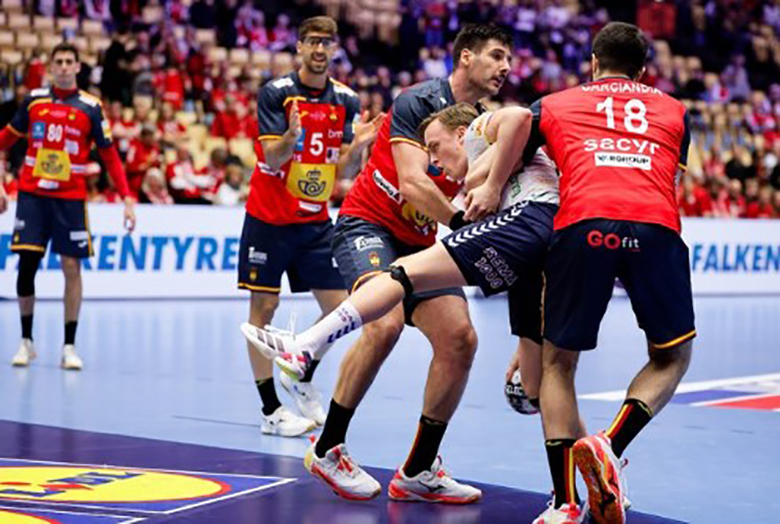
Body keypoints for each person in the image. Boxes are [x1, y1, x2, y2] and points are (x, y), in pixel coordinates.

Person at [244, 24, 513, 503]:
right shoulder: (417, 100)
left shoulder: (483, 125)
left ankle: (418, 469)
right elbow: (413, 183)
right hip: (366, 225)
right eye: (496, 55)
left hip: (418, 241)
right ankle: (328, 447)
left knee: (460, 338)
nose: (506, 67)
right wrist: (461, 225)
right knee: (383, 321)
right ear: (466, 57)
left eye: (508, 59)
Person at [518, 23, 693, 524]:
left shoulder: (551, 105)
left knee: (558, 363)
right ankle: (610, 444)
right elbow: (672, 179)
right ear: (644, 70)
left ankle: (563, 502)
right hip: (655, 226)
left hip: (583, 223)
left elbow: (517, 159)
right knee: (672, 355)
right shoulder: (675, 111)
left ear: (593, 62)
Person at [237, 16, 383, 437]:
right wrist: (290, 138)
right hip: (269, 218)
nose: (319, 49)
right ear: (299, 47)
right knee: (263, 310)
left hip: (315, 221)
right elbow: (272, 158)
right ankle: (271, 411)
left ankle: (301, 373)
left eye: (326, 42)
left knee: (342, 309)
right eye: (312, 42)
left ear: (334, 49)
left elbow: (344, 170)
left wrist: (358, 147)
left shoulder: (346, 99)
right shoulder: (277, 93)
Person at [0, 43, 136, 370]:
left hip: (70, 199)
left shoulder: (91, 107)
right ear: (51, 67)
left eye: (68, 61)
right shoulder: (33, 101)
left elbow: (110, 157)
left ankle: (69, 346)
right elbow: (4, 140)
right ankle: (26, 341)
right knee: (27, 265)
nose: (63, 66)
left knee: (72, 268)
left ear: (77, 67)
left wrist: (127, 197)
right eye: (58, 61)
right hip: (32, 196)